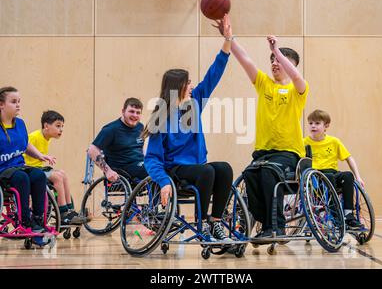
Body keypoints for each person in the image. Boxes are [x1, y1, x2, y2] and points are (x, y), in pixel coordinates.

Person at [143, 14, 233, 242]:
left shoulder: (194, 104)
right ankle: (200, 224)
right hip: (175, 171)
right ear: (179, 86)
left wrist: (227, 40)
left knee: (223, 168)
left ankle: (215, 222)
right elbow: (151, 159)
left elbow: (214, 75)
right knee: (207, 171)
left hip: (196, 168)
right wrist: (163, 182)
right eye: (189, 81)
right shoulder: (161, 117)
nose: (193, 84)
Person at [226, 31, 309, 238]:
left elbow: (297, 77)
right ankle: (264, 225)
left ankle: (276, 227)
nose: (274, 63)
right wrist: (229, 38)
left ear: (291, 66)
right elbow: (245, 60)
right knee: (250, 174)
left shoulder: (297, 90)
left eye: (280, 60)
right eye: (272, 60)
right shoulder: (264, 84)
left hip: (288, 153)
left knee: (268, 172)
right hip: (262, 152)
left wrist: (275, 50)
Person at [0, 86, 55, 232]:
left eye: (19, 101)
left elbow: (25, 145)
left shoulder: (20, 123)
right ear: (1, 105)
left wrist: (40, 155)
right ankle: (24, 220)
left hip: (18, 166)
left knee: (38, 175)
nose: (18, 104)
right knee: (22, 178)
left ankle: (37, 219)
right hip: (3, 170)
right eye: (13, 101)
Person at [304, 109, 364, 230]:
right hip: (315, 177)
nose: (313, 126)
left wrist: (358, 177)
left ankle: (348, 214)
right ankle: (334, 214)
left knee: (347, 175)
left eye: (317, 123)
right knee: (328, 177)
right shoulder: (304, 142)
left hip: (332, 173)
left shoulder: (334, 141)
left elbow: (349, 158)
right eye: (310, 123)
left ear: (326, 126)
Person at [23, 110, 86, 225]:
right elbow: (22, 151)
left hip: (38, 169)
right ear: (46, 126)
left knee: (63, 174)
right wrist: (40, 156)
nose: (61, 129)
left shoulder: (46, 138)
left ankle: (69, 210)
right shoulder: (34, 136)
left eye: (62, 126)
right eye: (58, 126)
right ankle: (62, 213)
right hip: (29, 170)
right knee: (57, 177)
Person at [87, 97, 147, 183]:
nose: (135, 115)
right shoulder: (111, 129)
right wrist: (107, 171)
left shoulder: (140, 127)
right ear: (123, 111)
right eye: (131, 111)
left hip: (139, 166)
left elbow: (139, 149)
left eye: (138, 113)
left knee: (163, 166)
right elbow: (92, 150)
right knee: (154, 169)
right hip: (121, 171)